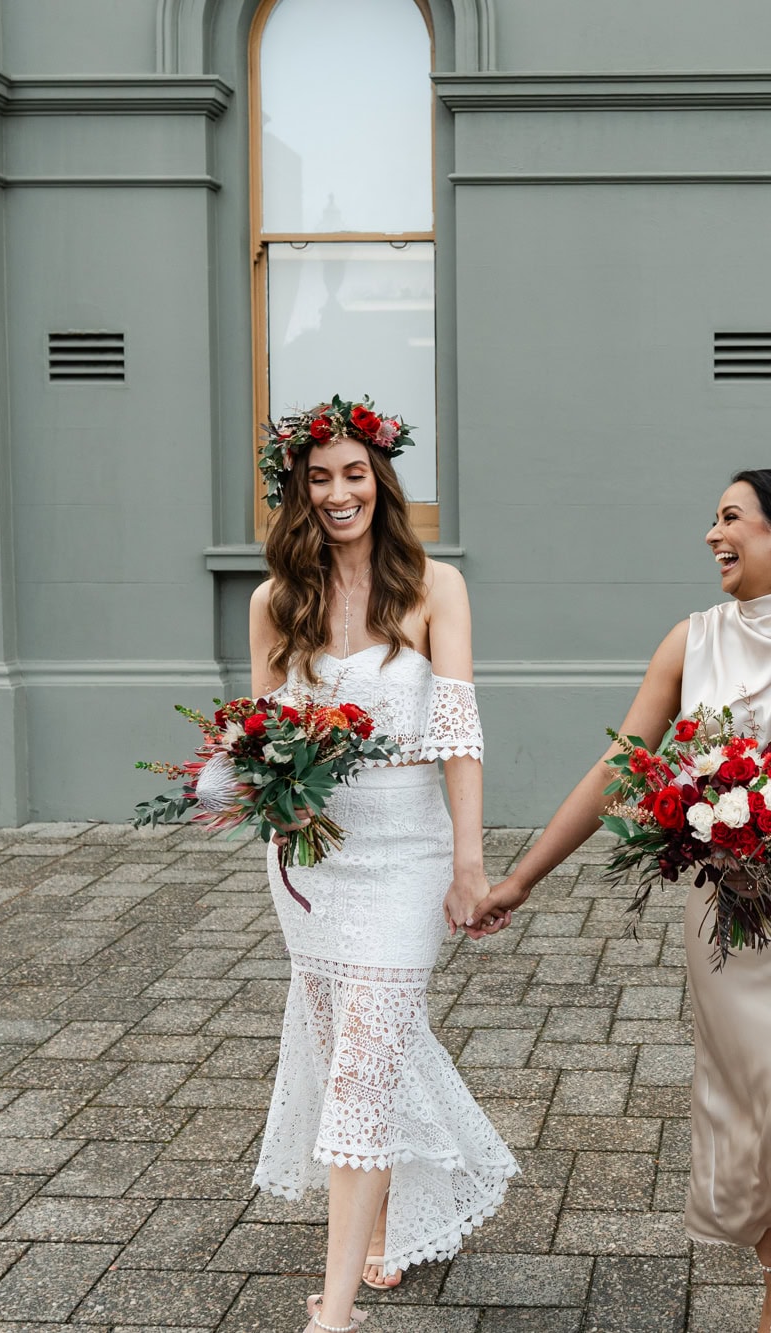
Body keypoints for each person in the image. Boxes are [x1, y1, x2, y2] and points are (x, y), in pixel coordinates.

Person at [468, 469, 771, 1330]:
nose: (713, 534)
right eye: (714, 519)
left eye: (730, 517)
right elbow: (620, 768)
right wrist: (520, 877)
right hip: (726, 914)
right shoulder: (689, 640)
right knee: (753, 1104)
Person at [244, 397, 517, 1333]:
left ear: (381, 479)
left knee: (364, 1067)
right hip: (312, 865)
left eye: (353, 473)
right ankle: (382, 1211)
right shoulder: (275, 601)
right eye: (318, 477)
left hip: (407, 857)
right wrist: (263, 788)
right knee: (345, 1051)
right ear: (297, 490)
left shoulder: (436, 587)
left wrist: (469, 864)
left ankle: (337, 1314)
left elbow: (460, 736)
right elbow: (261, 738)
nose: (337, 492)